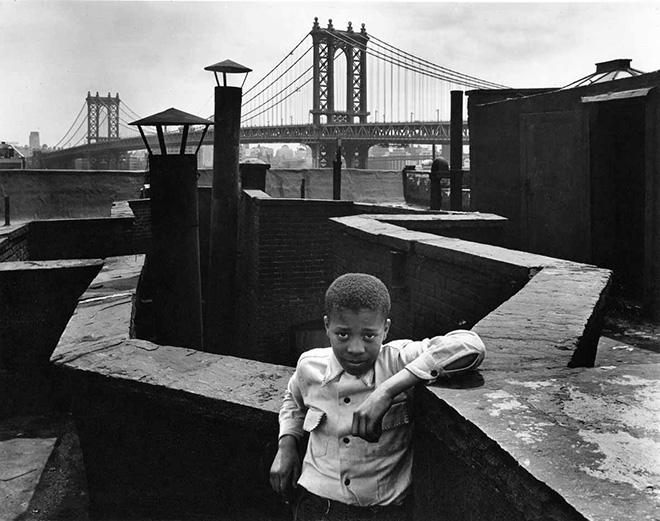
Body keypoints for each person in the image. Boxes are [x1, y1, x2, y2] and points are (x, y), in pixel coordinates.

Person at [270, 273, 485, 521]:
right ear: (327, 326)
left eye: (369, 335)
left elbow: (471, 345)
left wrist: (387, 390)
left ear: (386, 329)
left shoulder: (397, 361)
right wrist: (286, 445)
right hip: (316, 507)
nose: (356, 348)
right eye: (343, 334)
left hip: (383, 513)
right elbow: (293, 401)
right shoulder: (310, 365)